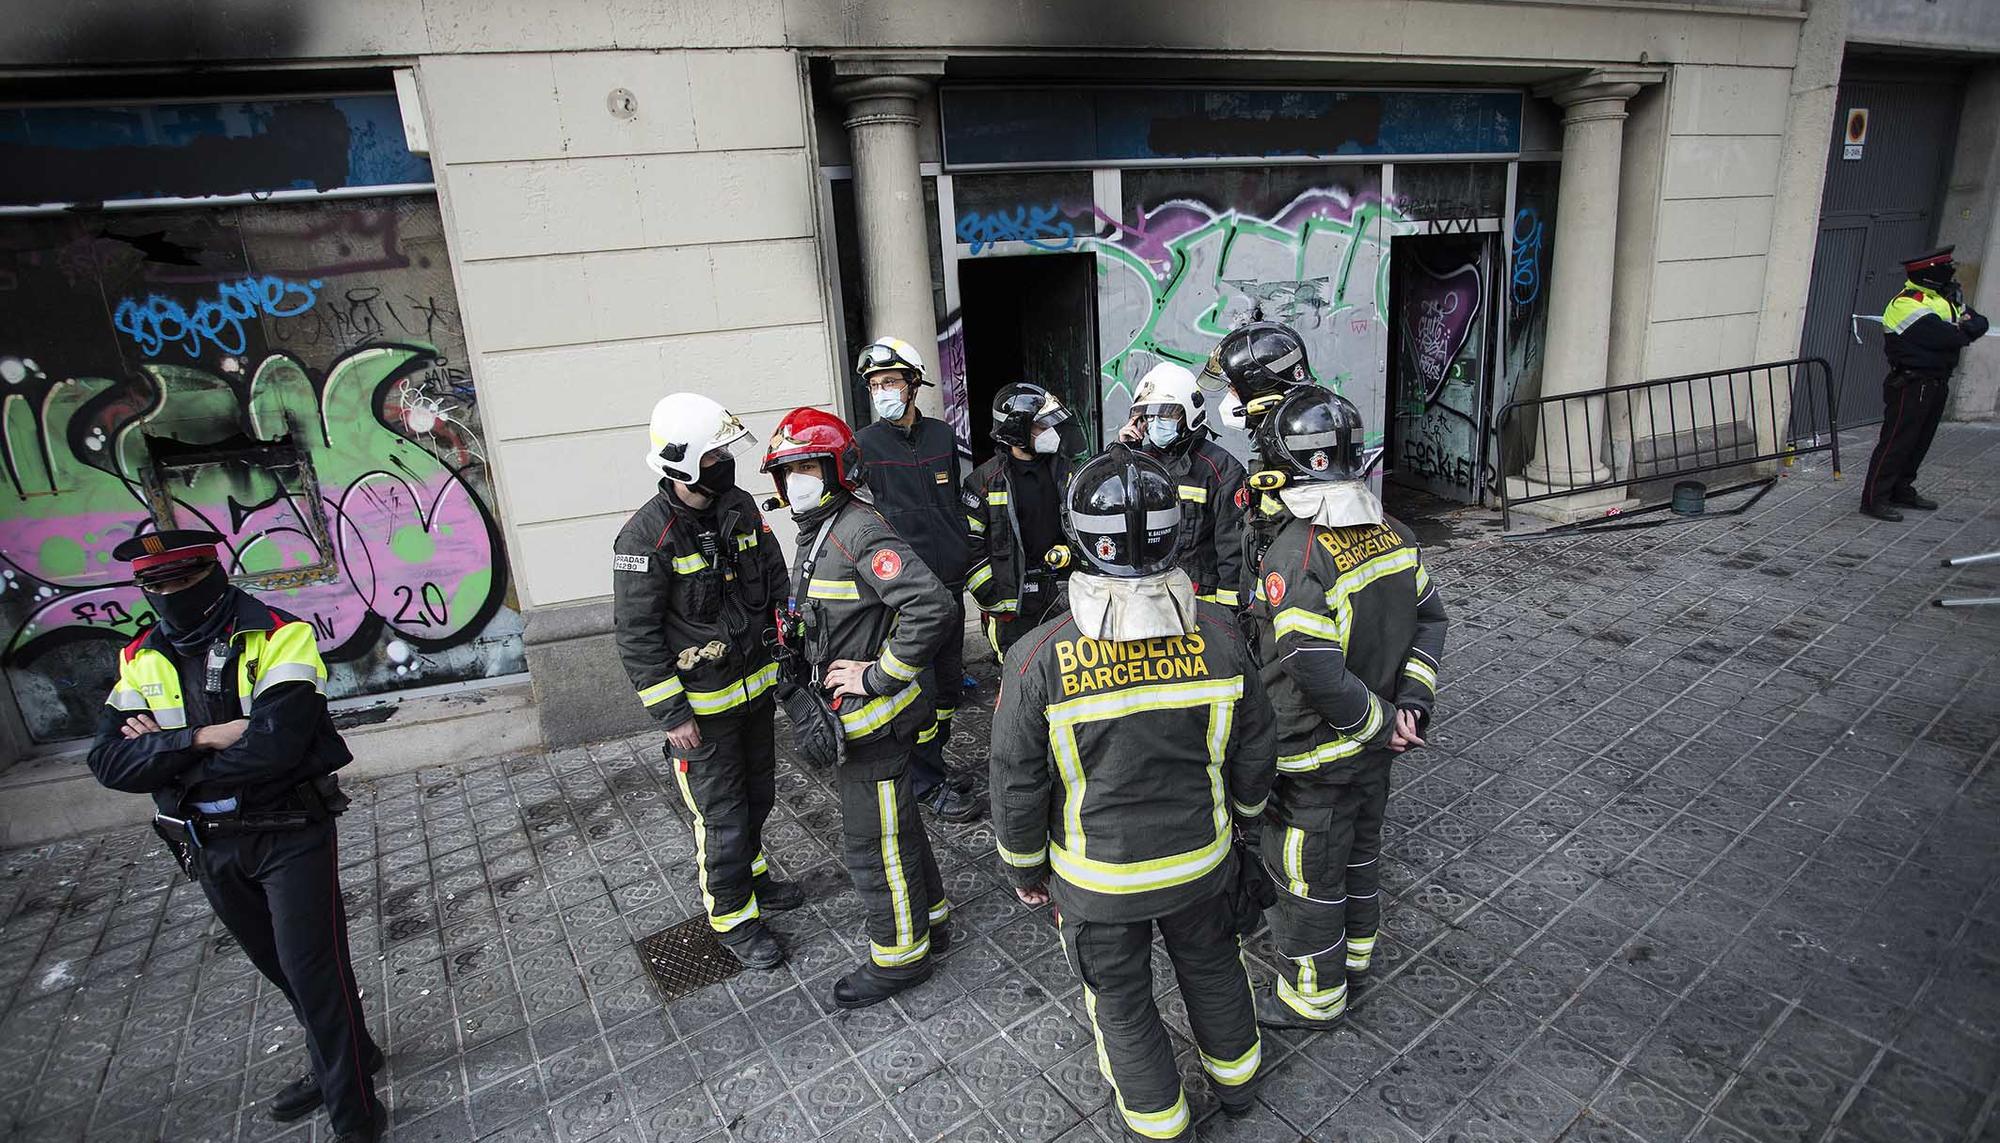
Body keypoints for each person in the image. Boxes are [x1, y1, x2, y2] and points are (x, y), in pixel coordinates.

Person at [990, 446, 1277, 1143]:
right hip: (1203, 864)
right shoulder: (1222, 636)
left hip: (1099, 884)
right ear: (1175, 533)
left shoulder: (1036, 658)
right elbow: (1255, 750)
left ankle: (1159, 1123)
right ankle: (1240, 1086)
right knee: (1216, 969)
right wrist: (1244, 822)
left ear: (1079, 537)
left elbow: (1016, 780)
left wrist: (1025, 869)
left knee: (1119, 1001)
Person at [87, 531, 384, 1141]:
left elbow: (276, 750)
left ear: (213, 573)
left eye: (182, 580)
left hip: (289, 831)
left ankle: (355, 1114)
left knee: (313, 972)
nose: (170, 594)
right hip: (206, 841)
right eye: (155, 585)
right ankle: (353, 1056)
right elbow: (109, 763)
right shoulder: (140, 655)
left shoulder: (278, 634)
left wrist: (162, 756)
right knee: (280, 968)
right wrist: (201, 738)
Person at [1248, 388, 1448, 1029]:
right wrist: (1409, 707)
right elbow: (1431, 621)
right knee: (1360, 854)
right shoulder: (1396, 533)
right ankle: (1355, 959)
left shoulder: (1298, 553)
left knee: (1307, 879)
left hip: (1315, 760)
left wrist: (1378, 724)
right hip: (1378, 754)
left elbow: (1311, 667)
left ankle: (1313, 996)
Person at [762, 407, 956, 1007]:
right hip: (858, 721)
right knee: (898, 826)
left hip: (873, 724)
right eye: (787, 472)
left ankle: (900, 958)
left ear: (838, 469)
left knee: (874, 845)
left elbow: (932, 606)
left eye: (807, 468)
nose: (795, 482)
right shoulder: (821, 531)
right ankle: (931, 919)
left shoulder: (857, 531)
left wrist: (877, 676)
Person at [613, 393, 802, 970]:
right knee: (721, 817)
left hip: (755, 694)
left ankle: (753, 878)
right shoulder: (645, 538)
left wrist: (789, 649)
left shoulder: (738, 507)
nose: (727, 463)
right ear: (684, 462)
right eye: (716, 454)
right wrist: (673, 717)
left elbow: (774, 577)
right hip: (702, 712)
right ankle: (733, 918)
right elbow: (637, 637)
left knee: (758, 797)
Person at [851, 337, 981, 823]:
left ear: (912, 384)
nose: (882, 391)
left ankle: (934, 765)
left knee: (946, 689)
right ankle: (925, 783)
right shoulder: (862, 445)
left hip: (949, 585)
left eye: (890, 381)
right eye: (874, 385)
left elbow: (953, 506)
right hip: (905, 598)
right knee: (918, 691)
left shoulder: (942, 437)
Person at [1862, 246, 1989, 521]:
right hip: (1912, 382)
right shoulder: (1906, 303)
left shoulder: (1945, 299)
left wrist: (1964, 327)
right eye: (1945, 268)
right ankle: (1874, 499)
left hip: (1937, 380)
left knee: (1920, 442)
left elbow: (1981, 322)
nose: (1951, 272)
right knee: (1897, 442)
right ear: (1929, 274)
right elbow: (1949, 338)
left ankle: (1901, 489)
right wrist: (1963, 328)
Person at [1117, 361, 1250, 608]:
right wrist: (1122, 455)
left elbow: (1233, 553)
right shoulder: (1136, 462)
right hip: (1143, 601)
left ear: (1189, 413)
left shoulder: (1221, 469)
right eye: (1149, 416)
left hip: (1198, 605)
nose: (1156, 422)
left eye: (1166, 414)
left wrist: (1227, 616)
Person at [964, 382, 1076, 660]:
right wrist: (992, 597)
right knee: (1019, 670)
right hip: (1014, 604)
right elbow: (968, 545)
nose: (1050, 432)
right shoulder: (984, 482)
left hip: (1062, 592)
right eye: (1041, 426)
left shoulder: (1066, 471)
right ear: (1016, 430)